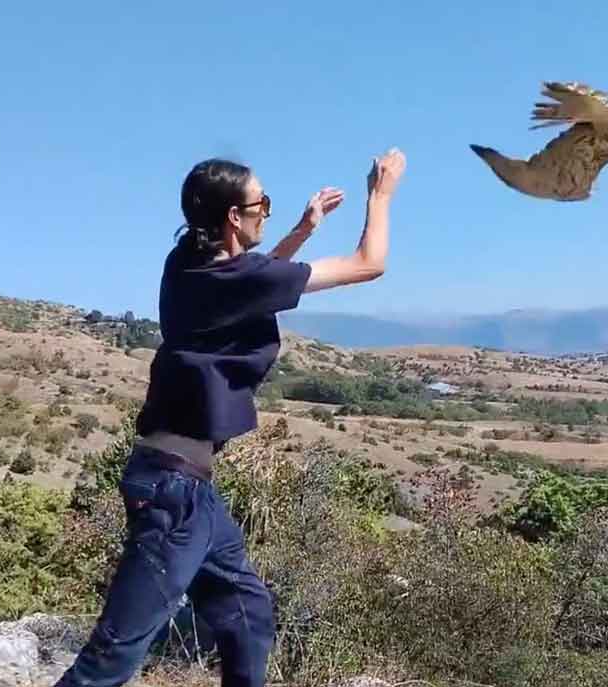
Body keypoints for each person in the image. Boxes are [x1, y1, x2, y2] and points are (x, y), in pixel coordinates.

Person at [54, 147, 406, 687]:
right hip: (174, 495)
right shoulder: (231, 277)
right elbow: (368, 263)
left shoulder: (189, 264)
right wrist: (380, 195)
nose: (266, 209)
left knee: (247, 611)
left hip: (185, 487)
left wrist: (301, 230)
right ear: (232, 219)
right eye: (260, 203)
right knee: (113, 656)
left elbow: (256, 280)